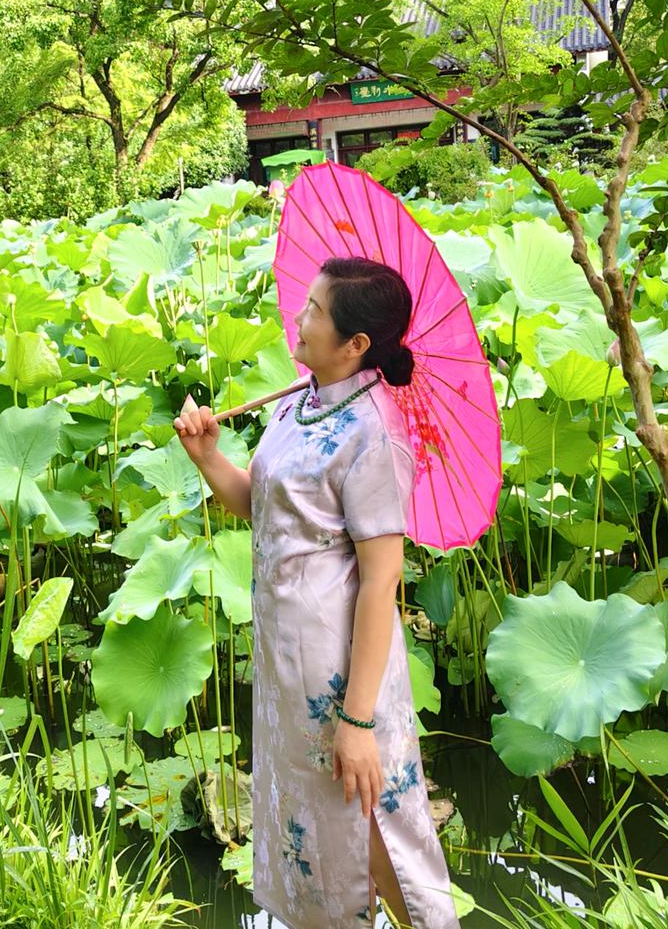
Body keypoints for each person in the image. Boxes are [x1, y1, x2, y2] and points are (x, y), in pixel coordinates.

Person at [174, 257, 459, 929]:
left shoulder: (375, 434)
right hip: (284, 670)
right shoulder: (298, 401)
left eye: (315, 312)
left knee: (376, 825)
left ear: (357, 344)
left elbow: (382, 582)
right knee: (314, 826)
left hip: (341, 674)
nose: (299, 320)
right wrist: (209, 457)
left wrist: (358, 723)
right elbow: (260, 503)